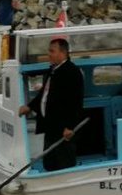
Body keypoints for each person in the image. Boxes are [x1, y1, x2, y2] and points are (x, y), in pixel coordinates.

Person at [19, 38, 84, 172]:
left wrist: (70, 126)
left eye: (52, 51)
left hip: (63, 128)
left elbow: (75, 101)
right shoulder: (53, 70)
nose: (49, 54)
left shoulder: (72, 72)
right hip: (50, 125)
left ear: (63, 53)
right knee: (50, 160)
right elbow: (44, 94)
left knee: (64, 161)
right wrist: (30, 107)